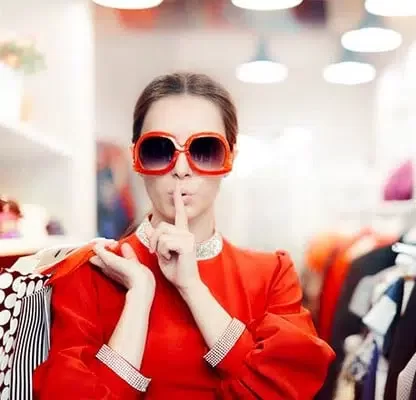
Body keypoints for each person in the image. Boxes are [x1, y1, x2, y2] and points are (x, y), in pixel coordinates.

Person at [32, 72, 335, 399]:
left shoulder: (272, 275)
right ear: (136, 158)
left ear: (230, 158)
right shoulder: (88, 273)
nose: (181, 169)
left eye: (204, 150)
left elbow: (278, 392)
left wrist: (192, 288)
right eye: (159, 150)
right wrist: (139, 296)